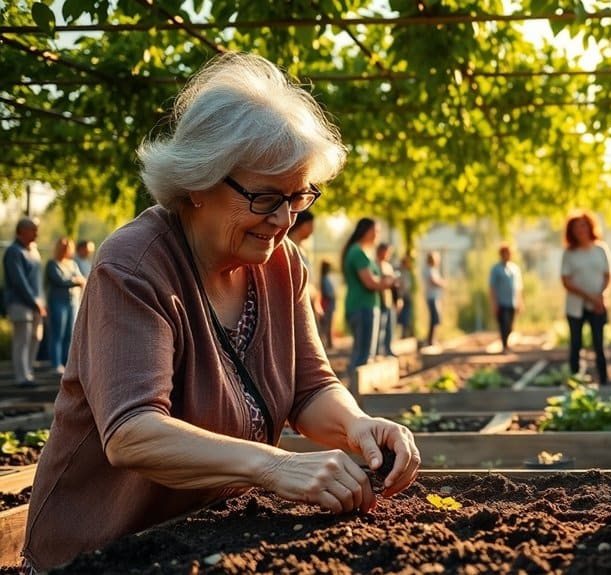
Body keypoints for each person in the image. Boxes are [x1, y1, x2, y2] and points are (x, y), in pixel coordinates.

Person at [22, 52, 420, 572]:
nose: (283, 219)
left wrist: (358, 426)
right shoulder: (135, 267)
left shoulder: (282, 264)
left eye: (299, 197)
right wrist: (275, 467)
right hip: (103, 551)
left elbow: (309, 387)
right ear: (197, 181)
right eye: (264, 198)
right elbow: (133, 432)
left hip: (204, 536)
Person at [561, 211, 611, 385]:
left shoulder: (600, 249)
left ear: (590, 226)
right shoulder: (569, 253)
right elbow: (566, 281)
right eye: (576, 227)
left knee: (599, 343)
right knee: (576, 343)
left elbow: (607, 275)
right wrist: (588, 296)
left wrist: (600, 296)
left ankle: (604, 380)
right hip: (576, 306)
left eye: (583, 225)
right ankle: (575, 381)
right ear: (571, 231)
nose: (580, 230)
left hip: (598, 305)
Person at [342, 218, 396, 373]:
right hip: (362, 308)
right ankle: (354, 392)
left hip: (367, 307)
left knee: (365, 353)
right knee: (362, 356)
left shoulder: (362, 252)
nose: (377, 235)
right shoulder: (357, 252)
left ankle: (357, 391)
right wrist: (388, 282)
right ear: (366, 231)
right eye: (375, 231)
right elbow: (370, 283)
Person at [3, 217, 45, 388]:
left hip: (36, 304)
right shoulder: (13, 251)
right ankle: (22, 377)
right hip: (20, 304)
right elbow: (19, 282)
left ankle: (29, 373)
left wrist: (41, 302)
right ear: (22, 231)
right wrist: (34, 302)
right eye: (33, 229)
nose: (37, 233)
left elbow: (38, 280)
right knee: (22, 341)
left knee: (36, 338)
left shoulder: (34, 250)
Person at [44, 237, 86, 375]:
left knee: (70, 333)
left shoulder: (72, 263)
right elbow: (60, 280)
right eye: (62, 247)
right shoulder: (52, 264)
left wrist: (76, 280)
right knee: (58, 333)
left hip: (72, 302)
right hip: (57, 302)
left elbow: (82, 279)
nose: (64, 250)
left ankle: (68, 364)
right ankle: (56, 363)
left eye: (67, 247)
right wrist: (75, 280)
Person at [287, 209, 324, 321]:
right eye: (311, 225)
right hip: (297, 306)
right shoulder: (289, 248)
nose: (312, 230)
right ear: (304, 225)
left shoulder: (302, 249)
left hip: (308, 303)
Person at [488, 242, 523, 352]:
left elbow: (518, 287)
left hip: (512, 301)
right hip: (501, 302)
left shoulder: (515, 269)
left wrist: (520, 301)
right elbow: (492, 287)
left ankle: (506, 343)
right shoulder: (496, 269)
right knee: (504, 324)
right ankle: (505, 346)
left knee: (510, 325)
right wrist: (494, 303)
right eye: (504, 253)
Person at [375, 242, 399, 357]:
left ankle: (388, 349)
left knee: (389, 326)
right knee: (381, 327)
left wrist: (397, 300)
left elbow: (394, 285)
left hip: (388, 301)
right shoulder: (375, 265)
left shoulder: (388, 266)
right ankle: (378, 350)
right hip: (380, 300)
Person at [422, 250, 445, 347]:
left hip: (435, 297)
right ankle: (430, 340)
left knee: (436, 319)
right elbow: (433, 281)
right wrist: (442, 283)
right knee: (434, 318)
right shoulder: (429, 270)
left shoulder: (433, 270)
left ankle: (432, 339)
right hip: (432, 297)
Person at [318, 258, 338, 351]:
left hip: (330, 304)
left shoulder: (326, 278)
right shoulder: (324, 279)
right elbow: (327, 293)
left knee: (329, 324)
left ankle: (329, 343)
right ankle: (326, 344)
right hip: (327, 304)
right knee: (327, 325)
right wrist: (333, 295)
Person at [397, 253, 415, 339]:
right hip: (402, 295)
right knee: (402, 315)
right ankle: (402, 333)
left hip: (406, 295)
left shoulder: (406, 272)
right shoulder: (399, 272)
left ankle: (405, 332)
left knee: (406, 315)